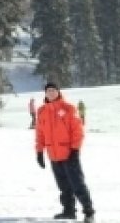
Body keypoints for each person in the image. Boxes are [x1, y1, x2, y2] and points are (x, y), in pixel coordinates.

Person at [35, 82, 95, 222]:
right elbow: (40, 134)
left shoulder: (68, 108)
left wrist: (75, 150)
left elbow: (78, 131)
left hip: (69, 154)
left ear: (58, 92)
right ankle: (69, 211)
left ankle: (89, 212)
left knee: (77, 184)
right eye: (48, 91)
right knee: (63, 186)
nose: (50, 93)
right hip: (53, 155)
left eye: (53, 90)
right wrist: (39, 152)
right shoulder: (42, 111)